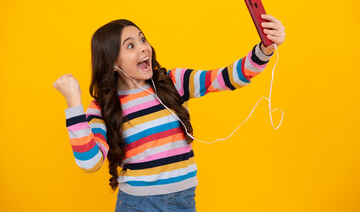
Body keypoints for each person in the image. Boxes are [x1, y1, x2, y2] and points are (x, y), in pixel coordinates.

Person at [53, 15, 285, 212]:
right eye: (131, 45)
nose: (144, 47)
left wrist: (264, 50)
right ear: (113, 62)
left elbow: (227, 78)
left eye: (143, 39)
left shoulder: (173, 81)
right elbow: (89, 162)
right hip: (138, 204)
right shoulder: (103, 106)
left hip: (184, 200)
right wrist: (73, 103)